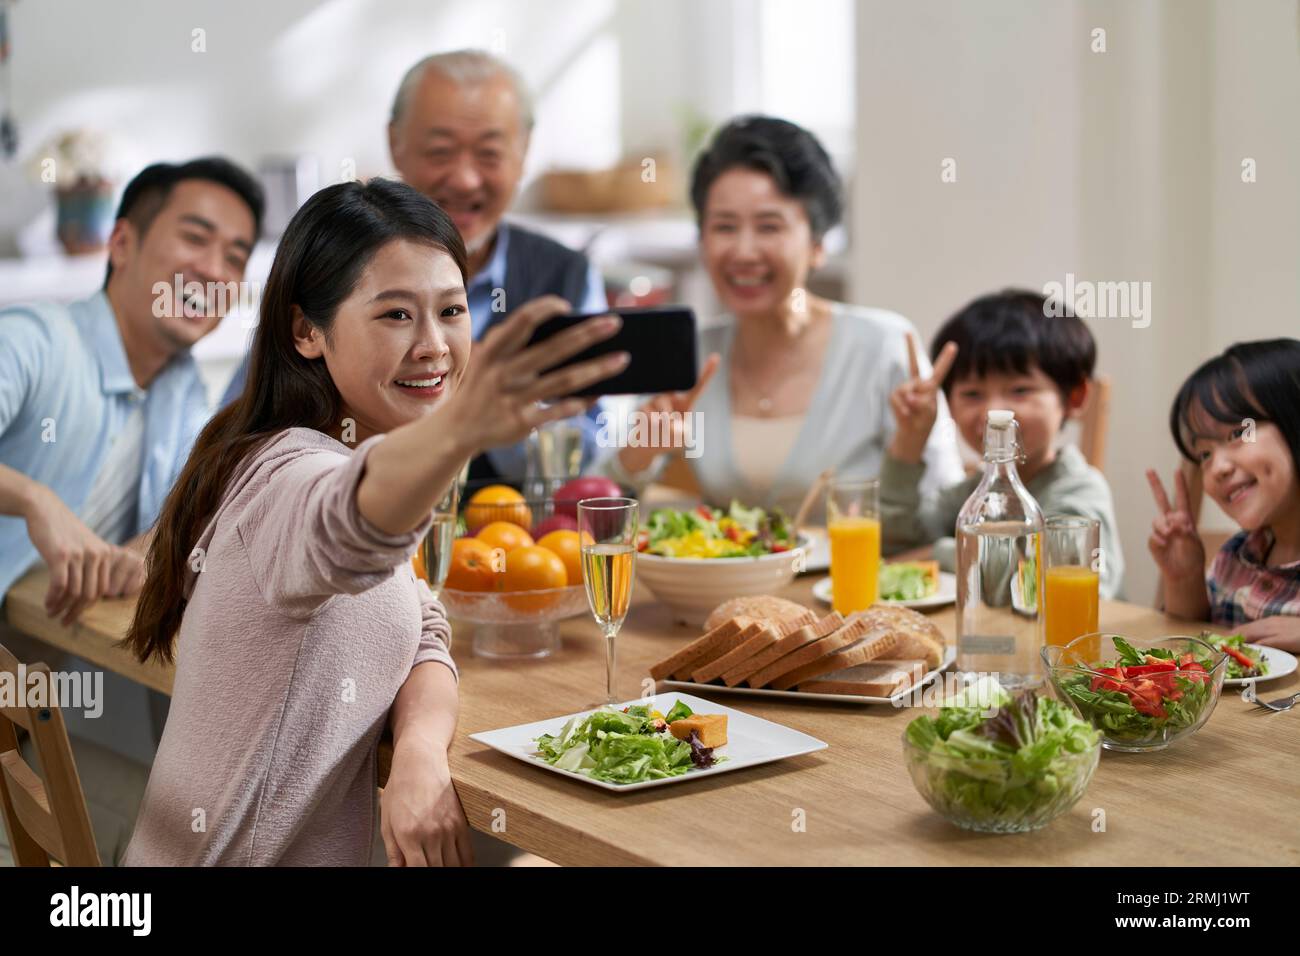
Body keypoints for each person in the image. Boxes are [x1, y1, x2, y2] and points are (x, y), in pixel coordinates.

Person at [120, 178, 625, 866]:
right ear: (306, 331)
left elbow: (426, 630)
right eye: (394, 315)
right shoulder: (290, 477)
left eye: (451, 310)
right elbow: (349, 528)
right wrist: (458, 430)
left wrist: (417, 751)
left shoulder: (312, 447)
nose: (434, 346)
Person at [221, 49, 609, 481]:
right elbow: (241, 433)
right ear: (396, 144)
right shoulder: (337, 259)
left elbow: (585, 458)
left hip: (514, 537)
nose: (464, 179)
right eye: (440, 151)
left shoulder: (564, 277)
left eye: (488, 154)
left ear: (524, 152)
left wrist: (495, 412)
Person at [599, 116, 965, 518]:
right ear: (701, 242)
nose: (743, 250)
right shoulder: (689, 354)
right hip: (728, 583)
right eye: (724, 227)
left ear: (817, 245)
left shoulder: (885, 346)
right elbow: (593, 514)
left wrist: (909, 449)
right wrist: (639, 454)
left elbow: (943, 517)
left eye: (769, 226)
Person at [0, 157, 263, 615]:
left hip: (54, 669)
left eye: (235, 258)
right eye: (195, 238)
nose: (213, 271)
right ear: (122, 243)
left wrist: (148, 549)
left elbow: (202, 509)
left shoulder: (185, 394)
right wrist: (34, 501)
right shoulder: (33, 340)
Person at [879, 289, 1125, 598]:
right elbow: (894, 545)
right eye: (972, 394)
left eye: (1020, 390)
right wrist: (909, 439)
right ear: (948, 405)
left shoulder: (1080, 491)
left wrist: (939, 552)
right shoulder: (972, 493)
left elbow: (1061, 587)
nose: (994, 411)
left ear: (1075, 397)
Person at [1148, 339, 1300, 651]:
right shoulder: (1236, 557)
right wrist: (1184, 579)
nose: (1216, 467)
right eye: (1203, 454)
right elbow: (1196, 648)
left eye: (1236, 434)